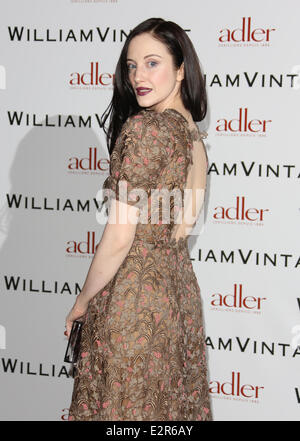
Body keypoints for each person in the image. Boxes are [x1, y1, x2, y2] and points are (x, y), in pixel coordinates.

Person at [65, 17, 212, 421]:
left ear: (181, 69)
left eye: (152, 63)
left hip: (131, 305)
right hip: (177, 301)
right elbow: (179, 227)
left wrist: (83, 301)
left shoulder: (146, 131)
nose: (137, 76)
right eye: (131, 66)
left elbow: (119, 237)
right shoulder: (193, 137)